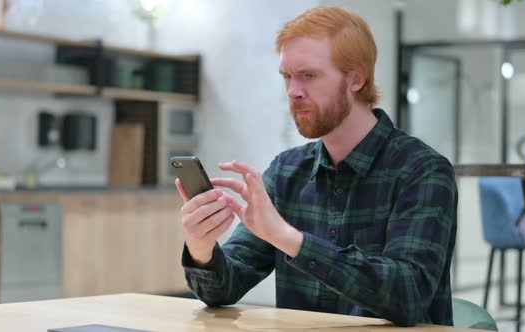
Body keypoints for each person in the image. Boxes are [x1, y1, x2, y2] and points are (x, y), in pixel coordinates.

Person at [175, 6, 457, 327]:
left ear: (356, 79)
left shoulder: (422, 170)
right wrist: (201, 248)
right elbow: (226, 286)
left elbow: (409, 294)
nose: (293, 91)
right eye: (287, 76)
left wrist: (287, 238)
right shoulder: (285, 172)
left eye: (308, 75)